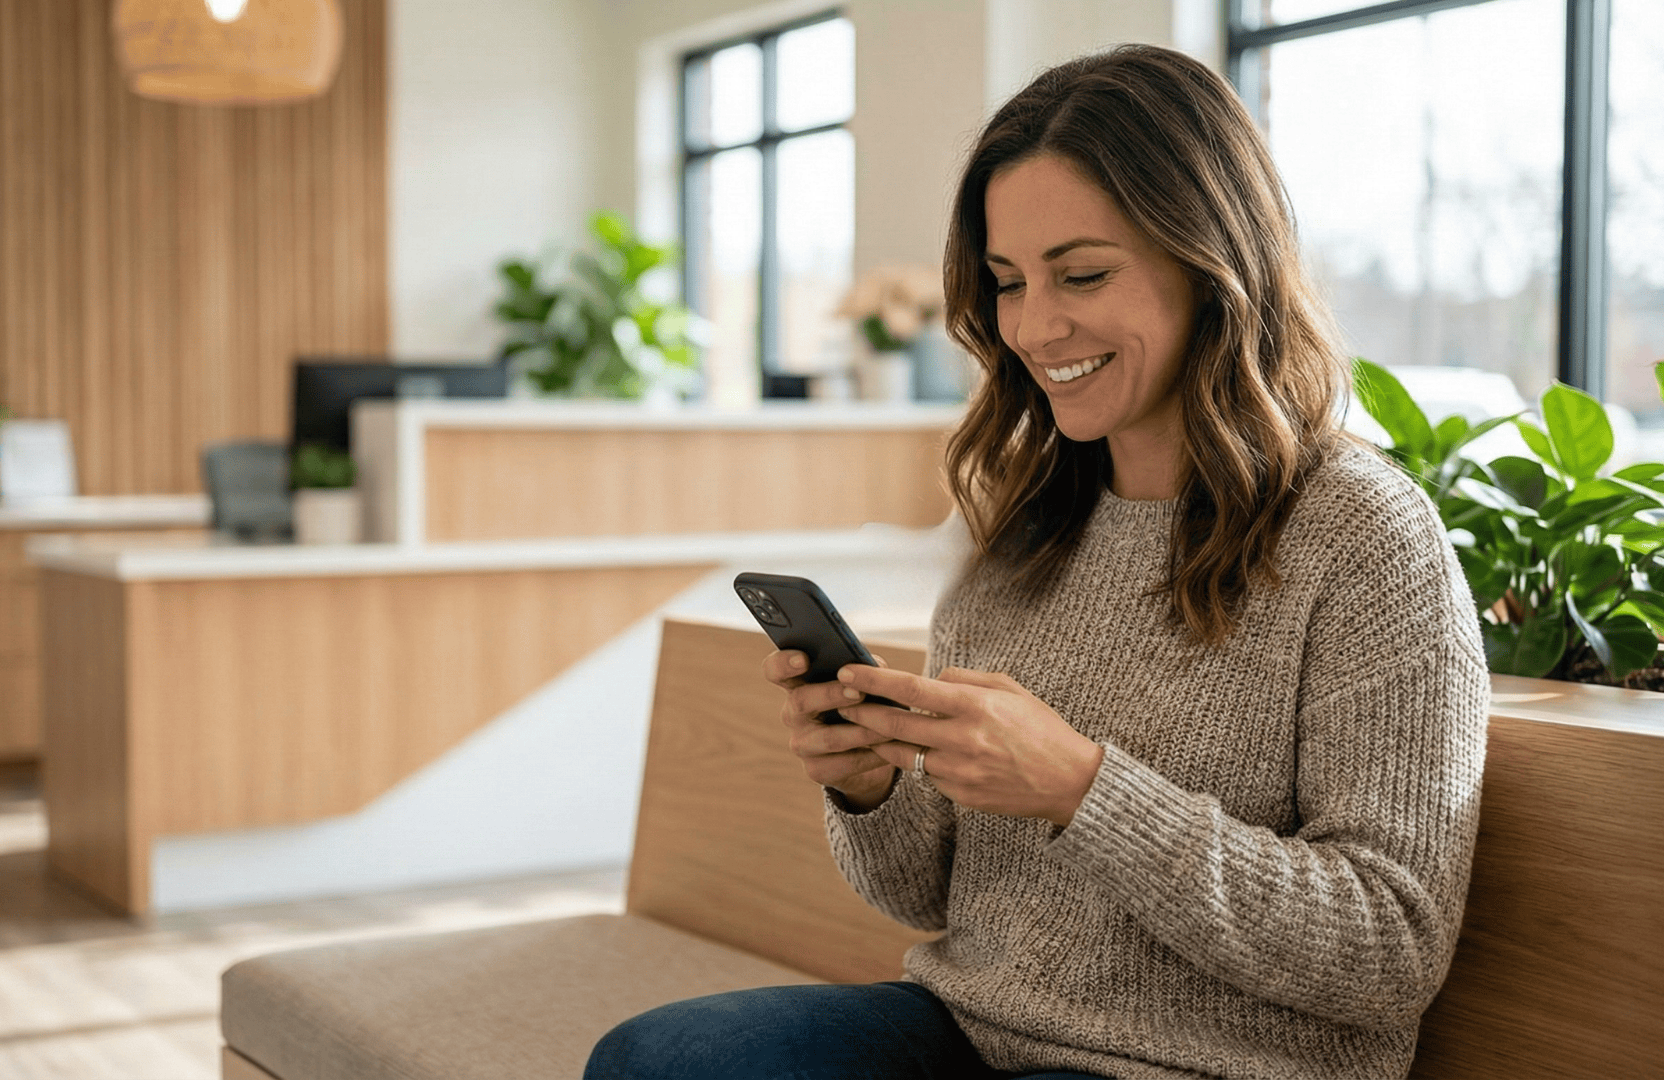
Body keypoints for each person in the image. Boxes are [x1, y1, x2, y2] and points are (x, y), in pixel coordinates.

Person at [584, 43, 1487, 1080]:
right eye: (1009, 283)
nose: (1034, 326)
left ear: (1211, 265)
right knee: (654, 1061)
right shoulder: (1026, 532)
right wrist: (874, 789)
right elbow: (928, 898)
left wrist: (1086, 790)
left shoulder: (1365, 536)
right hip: (974, 1033)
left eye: (1084, 273)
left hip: (1216, 1066)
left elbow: (1391, 947)